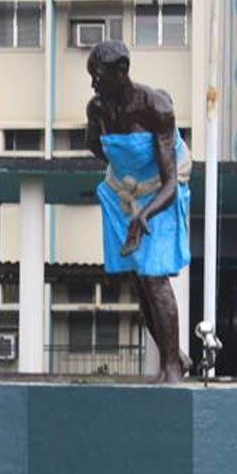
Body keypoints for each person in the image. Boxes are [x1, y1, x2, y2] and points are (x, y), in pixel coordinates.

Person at [85, 41, 192, 383]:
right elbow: (94, 146)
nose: (93, 85)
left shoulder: (154, 108)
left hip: (159, 192)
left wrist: (146, 215)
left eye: (98, 77)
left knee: (154, 275)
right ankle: (174, 355)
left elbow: (171, 181)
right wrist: (125, 172)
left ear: (121, 72)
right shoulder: (98, 109)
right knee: (139, 280)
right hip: (123, 192)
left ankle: (173, 367)